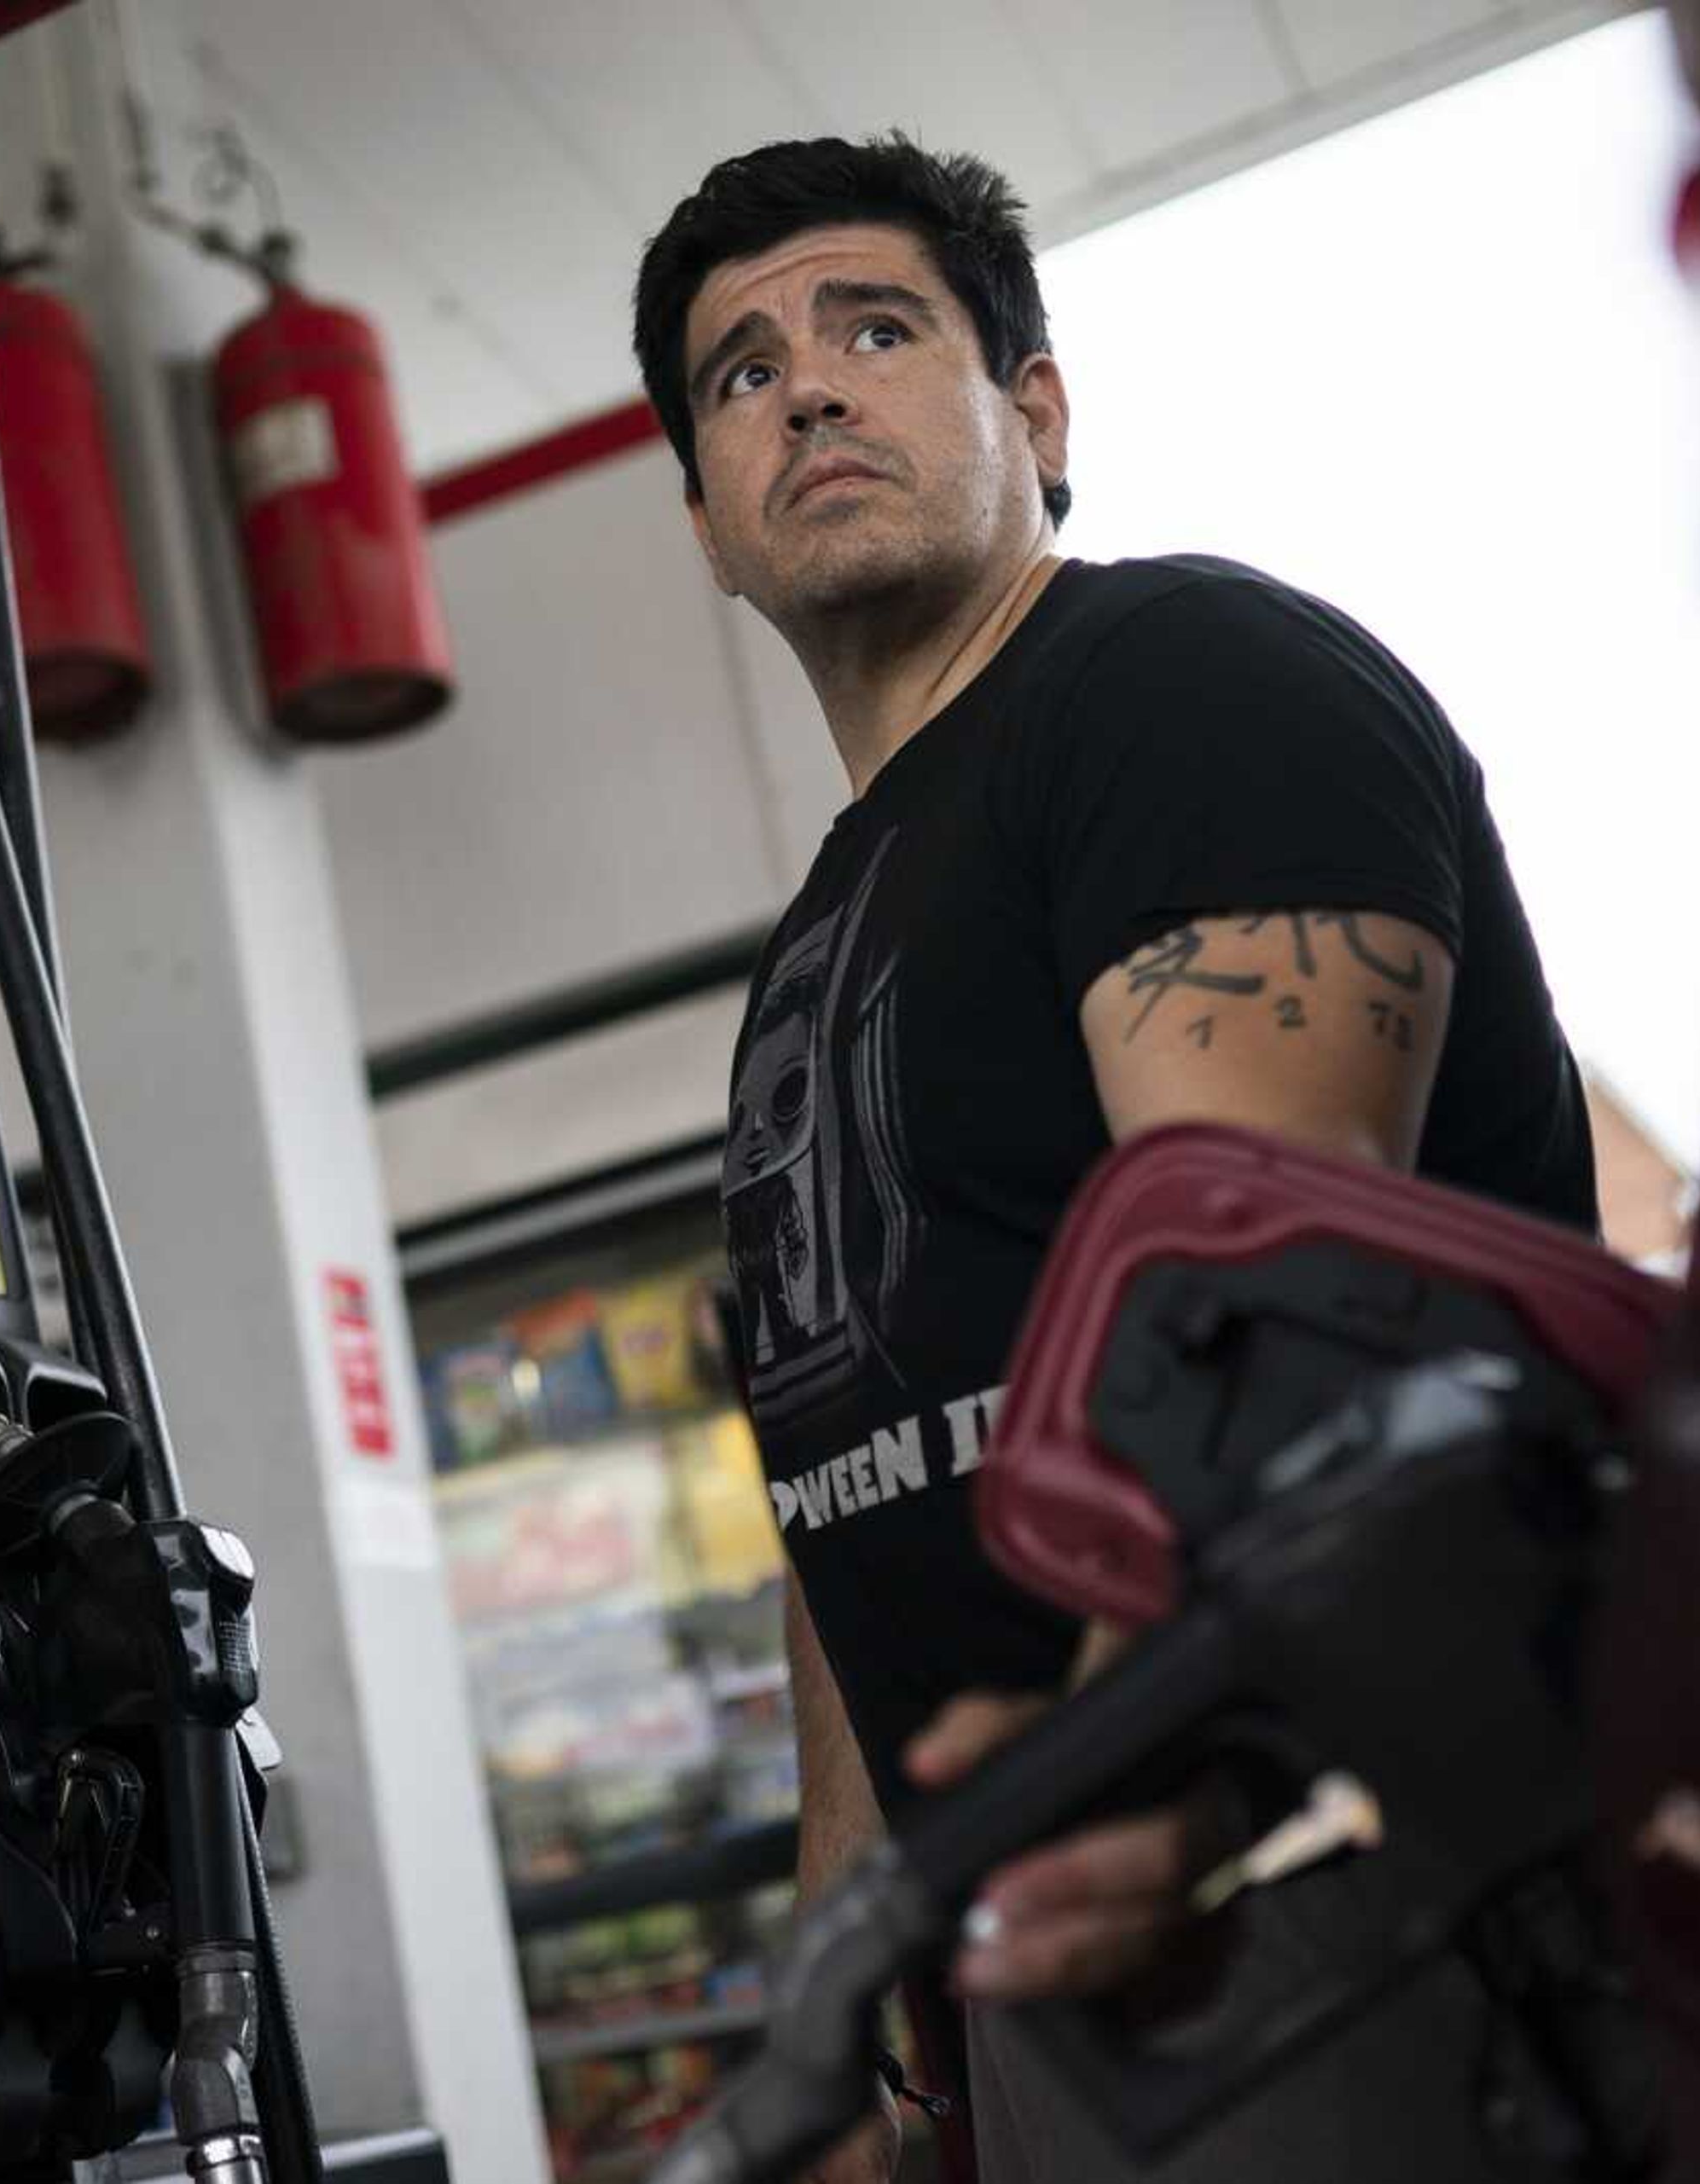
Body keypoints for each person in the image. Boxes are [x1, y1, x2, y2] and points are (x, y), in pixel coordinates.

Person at [632, 136, 1598, 2181]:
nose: (805, 385)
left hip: (1329, 1871)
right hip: (1033, 1941)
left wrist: (1150, 1754)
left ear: (1035, 411)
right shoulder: (817, 940)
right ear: (706, 526)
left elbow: (1266, 1290)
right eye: (737, 372)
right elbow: (847, 1452)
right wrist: (843, 1920)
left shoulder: (1185, 683)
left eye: (872, 327)